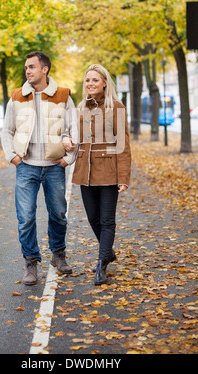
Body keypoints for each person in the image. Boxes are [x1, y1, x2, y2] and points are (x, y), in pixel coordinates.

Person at [1, 51, 78, 286]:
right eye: (26, 67)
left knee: (58, 214)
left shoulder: (63, 95)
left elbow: (75, 128)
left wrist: (69, 159)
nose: (28, 70)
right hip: (26, 167)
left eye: (32, 66)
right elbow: (7, 131)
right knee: (25, 218)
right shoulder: (16, 96)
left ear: (44, 69)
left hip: (54, 166)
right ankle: (31, 262)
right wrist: (12, 157)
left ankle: (58, 254)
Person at [68, 64, 131, 286]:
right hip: (85, 172)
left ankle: (102, 264)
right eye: (87, 80)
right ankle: (108, 252)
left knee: (107, 221)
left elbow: (123, 145)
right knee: (93, 219)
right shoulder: (80, 108)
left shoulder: (116, 107)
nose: (90, 84)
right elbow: (74, 139)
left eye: (95, 80)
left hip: (109, 172)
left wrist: (124, 177)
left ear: (105, 83)